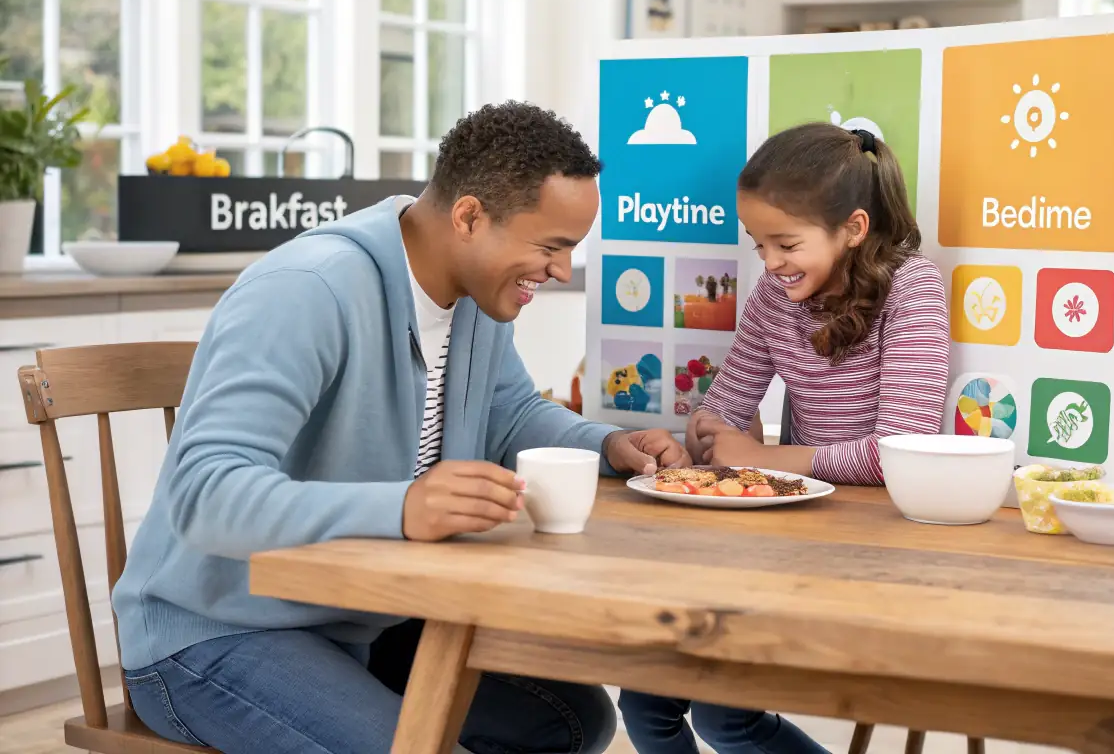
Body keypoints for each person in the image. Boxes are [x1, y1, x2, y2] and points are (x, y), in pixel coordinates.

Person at [112, 101, 688, 754]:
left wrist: (606, 443)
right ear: (469, 217)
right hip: (218, 632)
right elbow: (203, 494)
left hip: (364, 614)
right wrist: (405, 506)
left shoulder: (473, 300)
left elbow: (514, 415)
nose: (559, 271)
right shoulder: (308, 289)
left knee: (570, 716)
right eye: (550, 247)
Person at [618, 122, 949, 754]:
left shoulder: (913, 287)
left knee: (724, 719)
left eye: (785, 244)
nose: (769, 263)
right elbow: (724, 410)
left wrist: (762, 457)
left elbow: (900, 452)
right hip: (793, 526)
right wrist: (699, 442)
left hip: (872, 544)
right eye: (757, 245)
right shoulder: (776, 294)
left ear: (852, 229)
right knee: (644, 696)